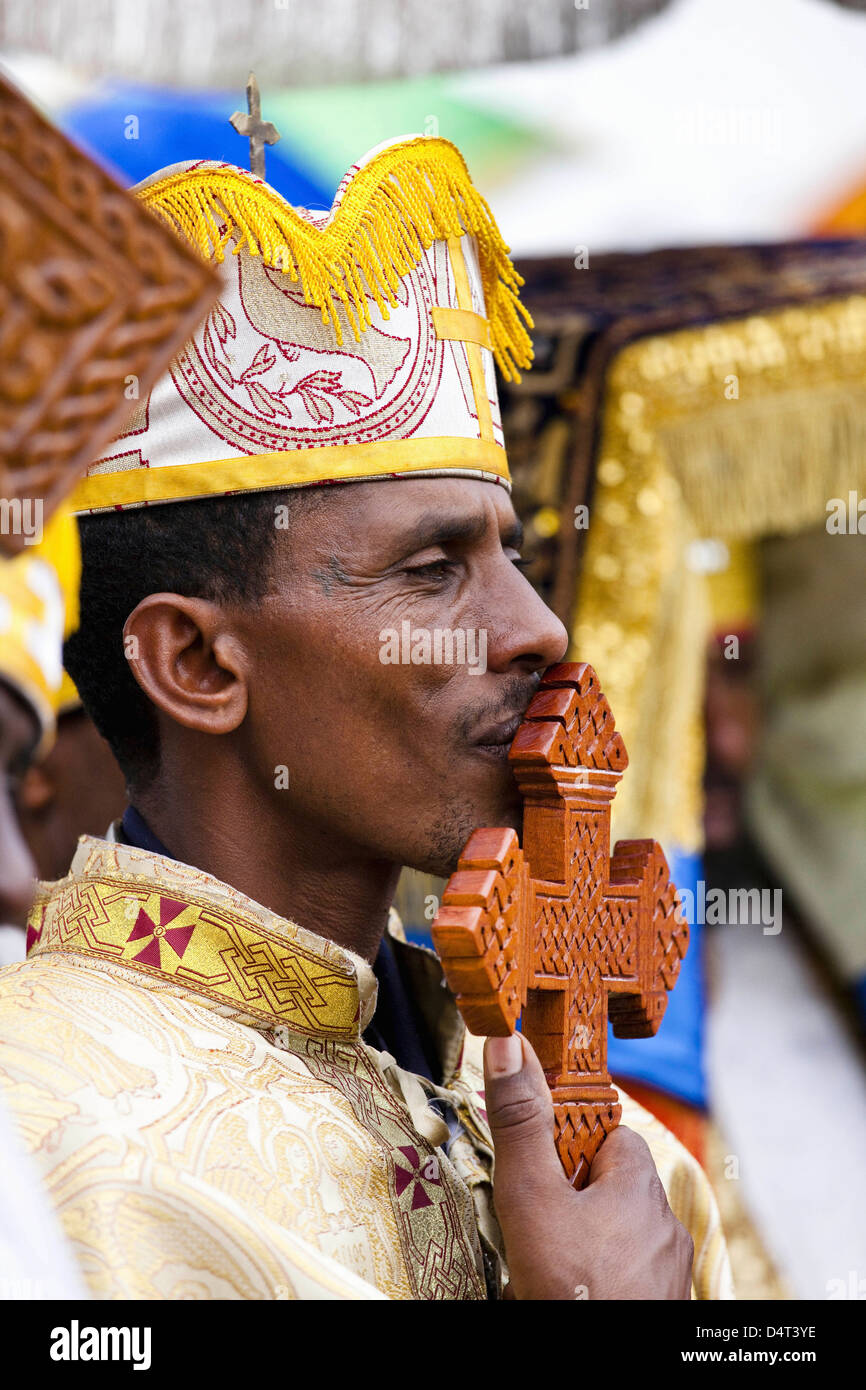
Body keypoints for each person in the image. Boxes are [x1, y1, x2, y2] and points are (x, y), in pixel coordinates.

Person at [0, 135, 732, 1299]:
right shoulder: (36, 1148)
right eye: (432, 570)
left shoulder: (607, 1160)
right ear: (194, 662)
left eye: (516, 555)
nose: (537, 626)